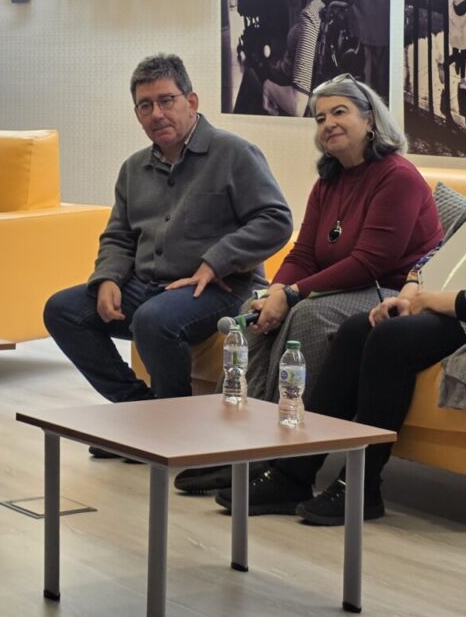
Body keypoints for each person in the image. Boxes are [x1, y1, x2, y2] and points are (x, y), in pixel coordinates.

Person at [214, 90, 466, 523]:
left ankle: (362, 487)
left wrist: (431, 300)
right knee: (357, 329)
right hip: (444, 302)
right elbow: (442, 253)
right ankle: (293, 472)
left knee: (389, 339)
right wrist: (410, 291)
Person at [175, 73, 443, 493]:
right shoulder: (328, 181)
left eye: (339, 112)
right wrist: (273, 292)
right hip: (342, 287)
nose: (328, 124)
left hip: (390, 292)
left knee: (309, 317)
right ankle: (240, 445)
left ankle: (282, 456)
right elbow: (303, 253)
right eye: (320, 118)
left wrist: (294, 294)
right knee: (255, 315)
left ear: (370, 119)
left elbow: (370, 262)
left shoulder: (398, 176)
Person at [43, 54, 292, 453]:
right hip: (147, 285)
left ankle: (173, 433)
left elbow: (276, 220)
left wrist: (214, 261)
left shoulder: (234, 153)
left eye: (166, 100)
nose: (156, 113)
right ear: (137, 114)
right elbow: (119, 236)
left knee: (155, 320)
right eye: (145, 105)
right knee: (62, 310)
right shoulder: (133, 169)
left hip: (222, 288)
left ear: (191, 101)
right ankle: (141, 414)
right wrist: (107, 277)